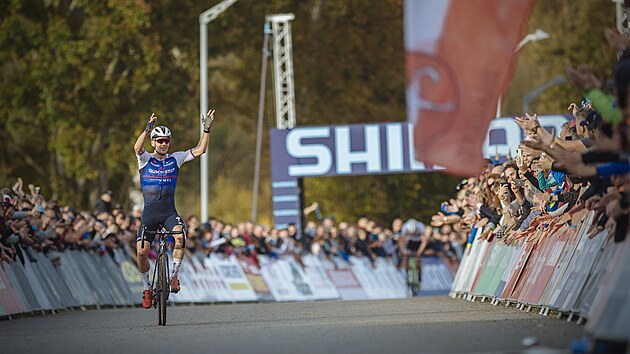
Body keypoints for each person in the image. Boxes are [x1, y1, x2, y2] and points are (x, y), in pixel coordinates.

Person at [134, 110, 215, 309]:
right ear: (153, 142)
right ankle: (146, 288)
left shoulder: (175, 159)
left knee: (180, 238)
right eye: (160, 140)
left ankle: (174, 277)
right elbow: (137, 148)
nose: (164, 144)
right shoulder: (145, 160)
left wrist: (206, 129)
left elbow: (200, 150)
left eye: (167, 141)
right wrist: (147, 129)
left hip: (169, 211)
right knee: (141, 253)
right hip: (150, 213)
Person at [400, 218, 428, 285]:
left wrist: (420, 251)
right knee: (406, 257)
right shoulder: (405, 227)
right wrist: (403, 250)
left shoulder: (420, 227)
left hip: (418, 242)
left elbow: (424, 241)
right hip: (410, 242)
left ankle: (419, 276)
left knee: (418, 259)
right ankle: (406, 273)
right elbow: (402, 241)